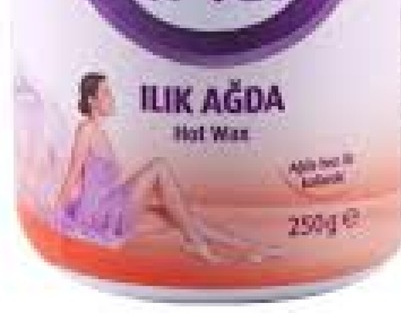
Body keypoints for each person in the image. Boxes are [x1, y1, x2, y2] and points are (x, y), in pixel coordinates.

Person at [52, 72, 282, 263]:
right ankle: (201, 246)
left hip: (114, 203)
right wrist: (58, 214)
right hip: (99, 212)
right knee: (159, 166)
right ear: (91, 100)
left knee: (184, 218)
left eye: (110, 92)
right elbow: (73, 173)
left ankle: (251, 246)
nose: (112, 98)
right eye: (106, 92)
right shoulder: (86, 130)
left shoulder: (102, 133)